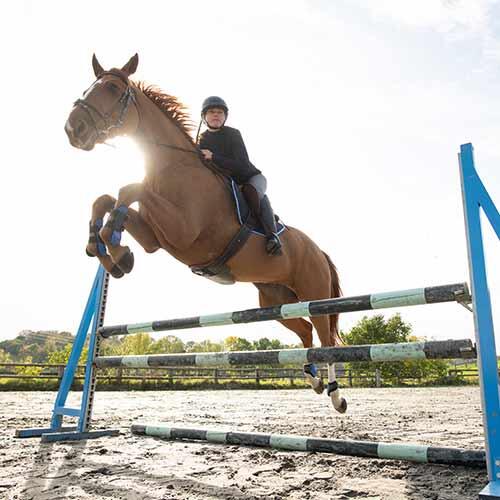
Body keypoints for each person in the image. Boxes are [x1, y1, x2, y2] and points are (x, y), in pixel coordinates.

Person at [198, 96, 282, 256]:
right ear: (204, 117)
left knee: (250, 191)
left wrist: (213, 157)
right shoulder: (201, 141)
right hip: (230, 184)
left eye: (220, 112)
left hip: (251, 178)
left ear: (225, 116)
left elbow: (242, 164)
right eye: (211, 112)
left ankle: (273, 236)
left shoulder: (233, 134)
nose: (216, 115)